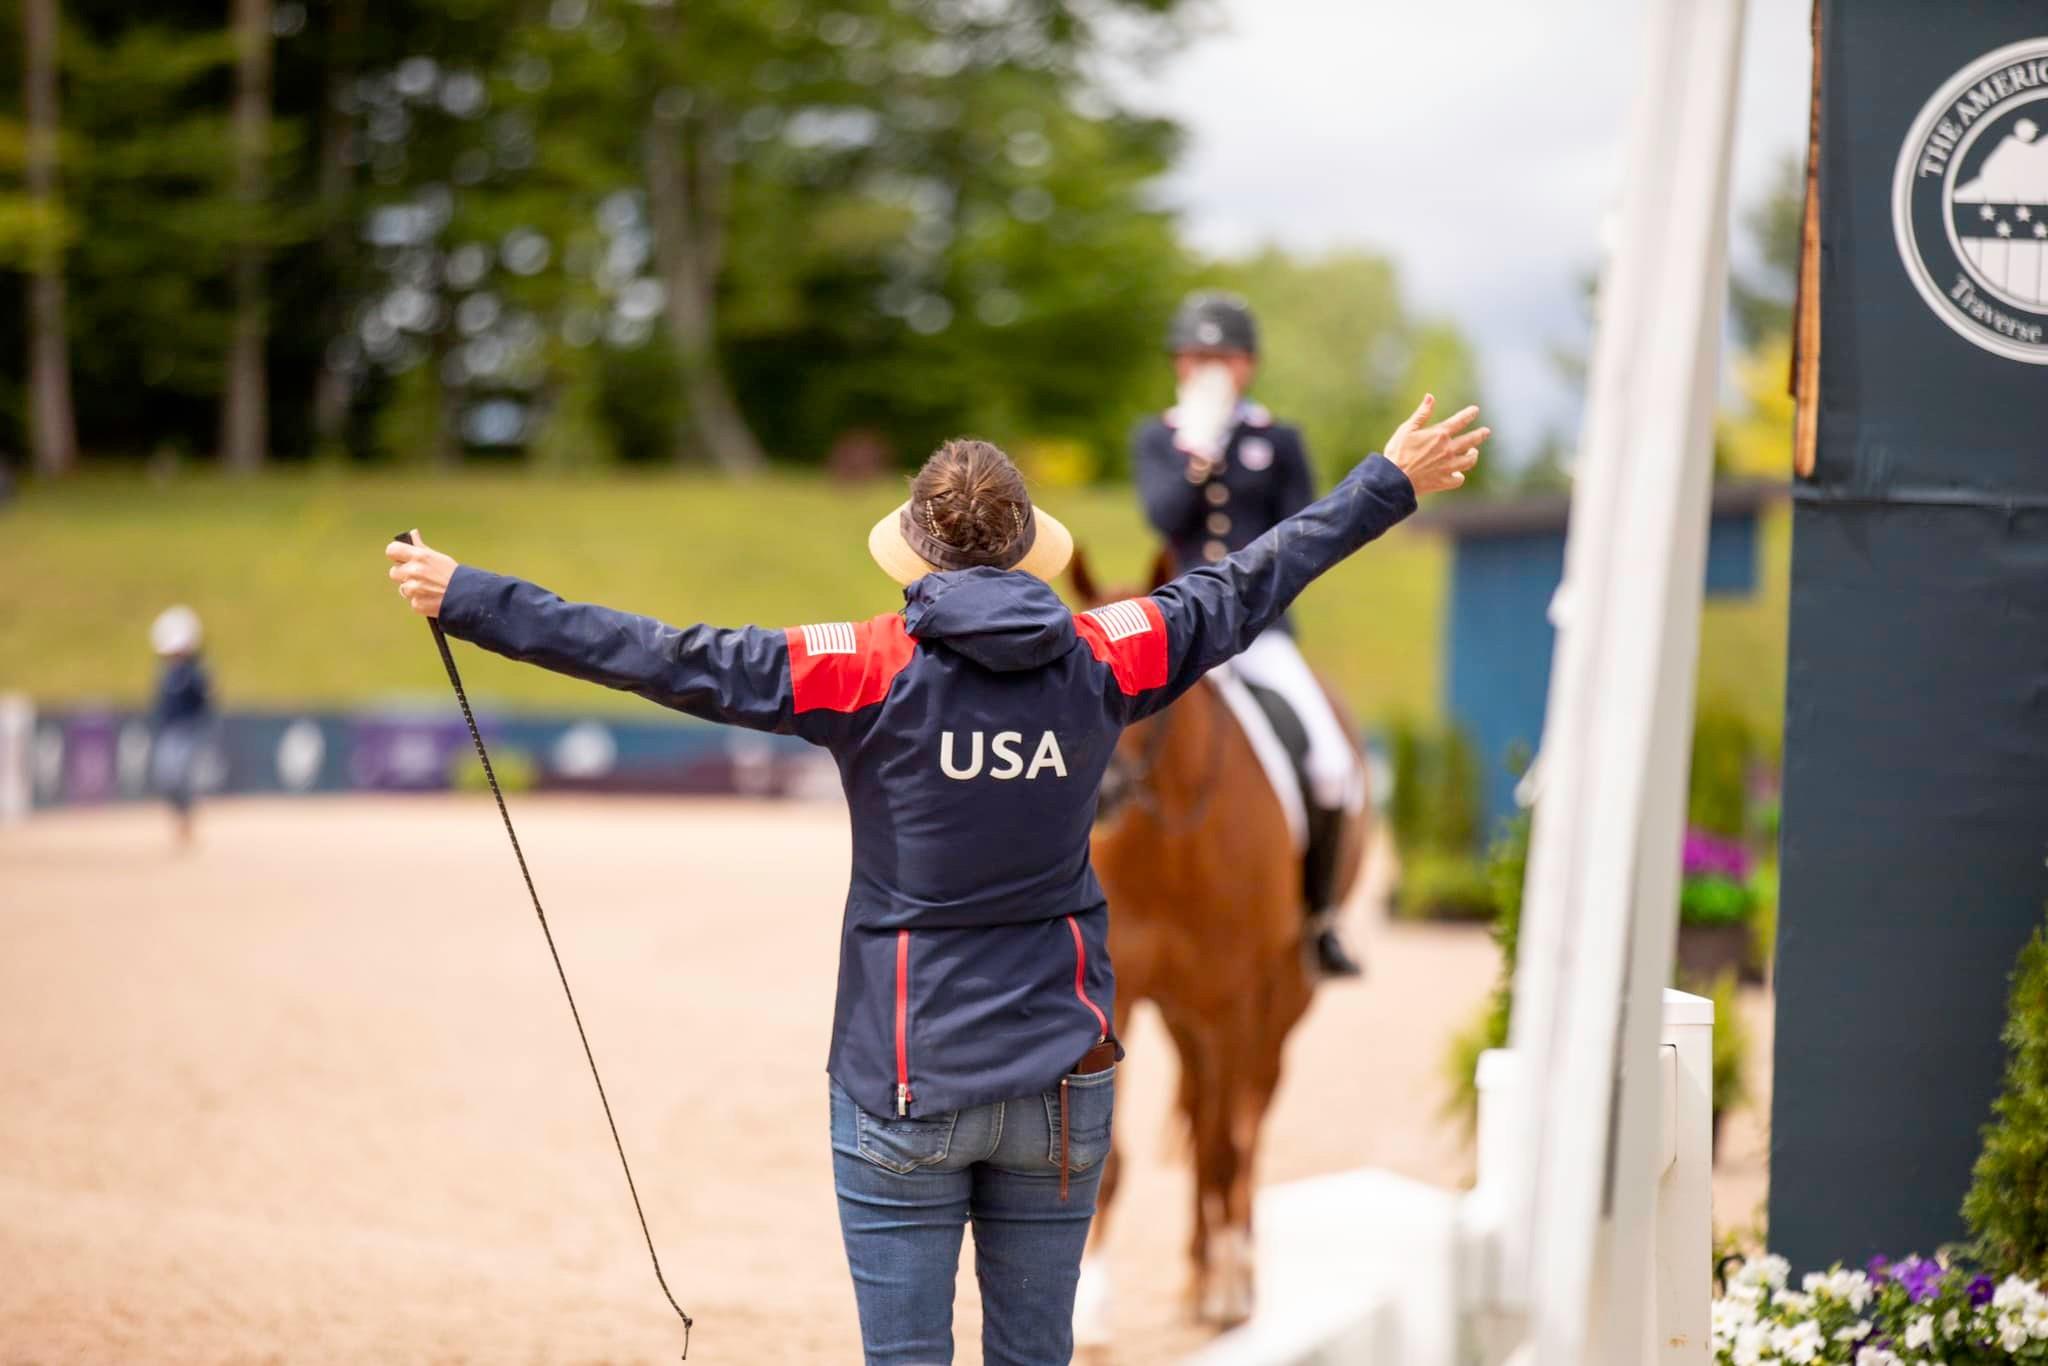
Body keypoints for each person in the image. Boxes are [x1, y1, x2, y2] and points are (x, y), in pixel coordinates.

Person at [382, 402, 1482, 1365]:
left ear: (913, 552)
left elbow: (660, 652)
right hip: (1060, 1077)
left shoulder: (858, 664)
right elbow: (1252, 578)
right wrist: (1387, 480)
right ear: (1028, 553)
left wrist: (469, 594)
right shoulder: (1111, 652)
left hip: (902, 1078)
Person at [1132, 293, 1485, 979]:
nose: (1206, 368)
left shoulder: (1278, 439)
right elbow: (1164, 513)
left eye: (1220, 357)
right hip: (1177, 628)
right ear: (1179, 362)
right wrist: (1199, 451)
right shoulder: (1160, 438)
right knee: (1118, 754)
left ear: (1247, 365)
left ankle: (1319, 915)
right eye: (1196, 356)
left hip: (1259, 631)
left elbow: (1305, 534)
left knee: (1326, 760)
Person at [148, 605, 215, 848]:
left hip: (189, 732)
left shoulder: (195, 673)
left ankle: (186, 822)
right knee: (166, 778)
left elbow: (205, 702)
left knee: (182, 777)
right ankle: (179, 817)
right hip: (169, 732)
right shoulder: (165, 673)